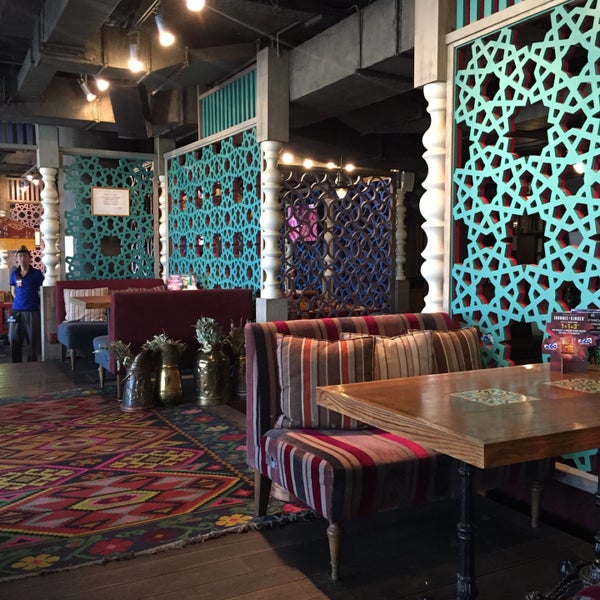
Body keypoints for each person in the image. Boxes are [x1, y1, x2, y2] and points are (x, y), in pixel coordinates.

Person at [9, 245, 44, 362]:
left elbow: (42, 291)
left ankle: (32, 365)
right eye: (20, 256)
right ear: (17, 258)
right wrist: (20, 301)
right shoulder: (14, 274)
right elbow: (13, 292)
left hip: (32, 311)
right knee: (13, 339)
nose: (22, 258)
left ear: (29, 258)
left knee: (33, 341)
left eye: (25, 256)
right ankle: (16, 364)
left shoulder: (37, 273)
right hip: (16, 311)